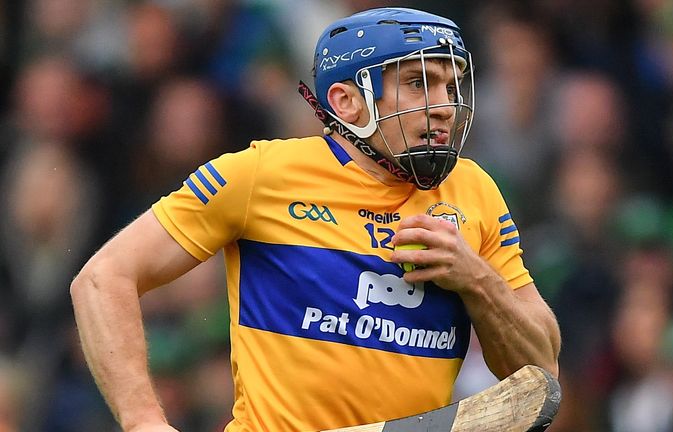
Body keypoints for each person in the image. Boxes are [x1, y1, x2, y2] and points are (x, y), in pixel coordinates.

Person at [70, 7, 561, 432]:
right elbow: (101, 278)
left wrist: (477, 279)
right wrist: (143, 420)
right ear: (347, 102)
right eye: (418, 83)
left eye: (450, 87)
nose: (445, 108)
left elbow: (540, 371)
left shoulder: (474, 190)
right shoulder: (259, 174)